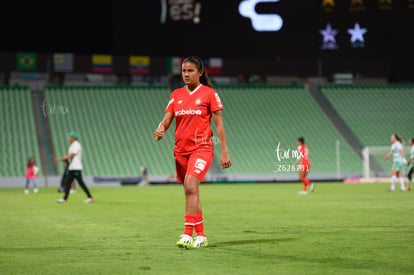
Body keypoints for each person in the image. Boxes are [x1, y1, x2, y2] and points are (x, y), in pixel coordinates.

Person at [154, 56, 231, 249]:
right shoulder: (176, 94)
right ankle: (202, 235)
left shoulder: (209, 94)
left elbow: (219, 124)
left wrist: (224, 151)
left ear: (200, 73)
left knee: (190, 185)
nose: (186, 74)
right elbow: (167, 120)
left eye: (190, 71)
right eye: (184, 71)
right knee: (191, 191)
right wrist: (161, 128)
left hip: (202, 148)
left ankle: (187, 233)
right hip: (180, 150)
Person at [55, 132, 94, 203]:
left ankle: (90, 197)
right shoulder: (73, 145)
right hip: (72, 167)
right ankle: (64, 199)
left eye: (69, 137)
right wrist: (67, 162)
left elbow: (70, 156)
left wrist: (60, 159)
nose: (68, 138)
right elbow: (70, 157)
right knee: (67, 182)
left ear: (73, 138)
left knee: (80, 183)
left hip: (76, 168)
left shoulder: (76, 145)